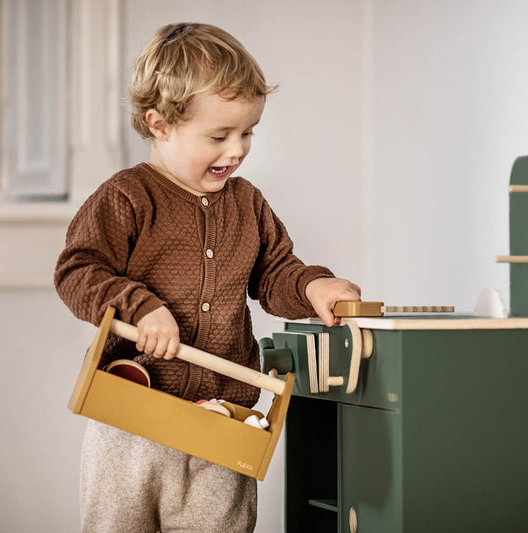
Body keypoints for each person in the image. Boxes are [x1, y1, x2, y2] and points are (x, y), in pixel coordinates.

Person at [54, 22, 361, 533]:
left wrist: (310, 285)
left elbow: (274, 272)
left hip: (222, 418)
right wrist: (138, 305)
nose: (237, 150)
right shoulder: (126, 197)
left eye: (247, 133)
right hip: (131, 415)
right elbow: (77, 270)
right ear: (159, 124)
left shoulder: (248, 203)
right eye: (219, 136)